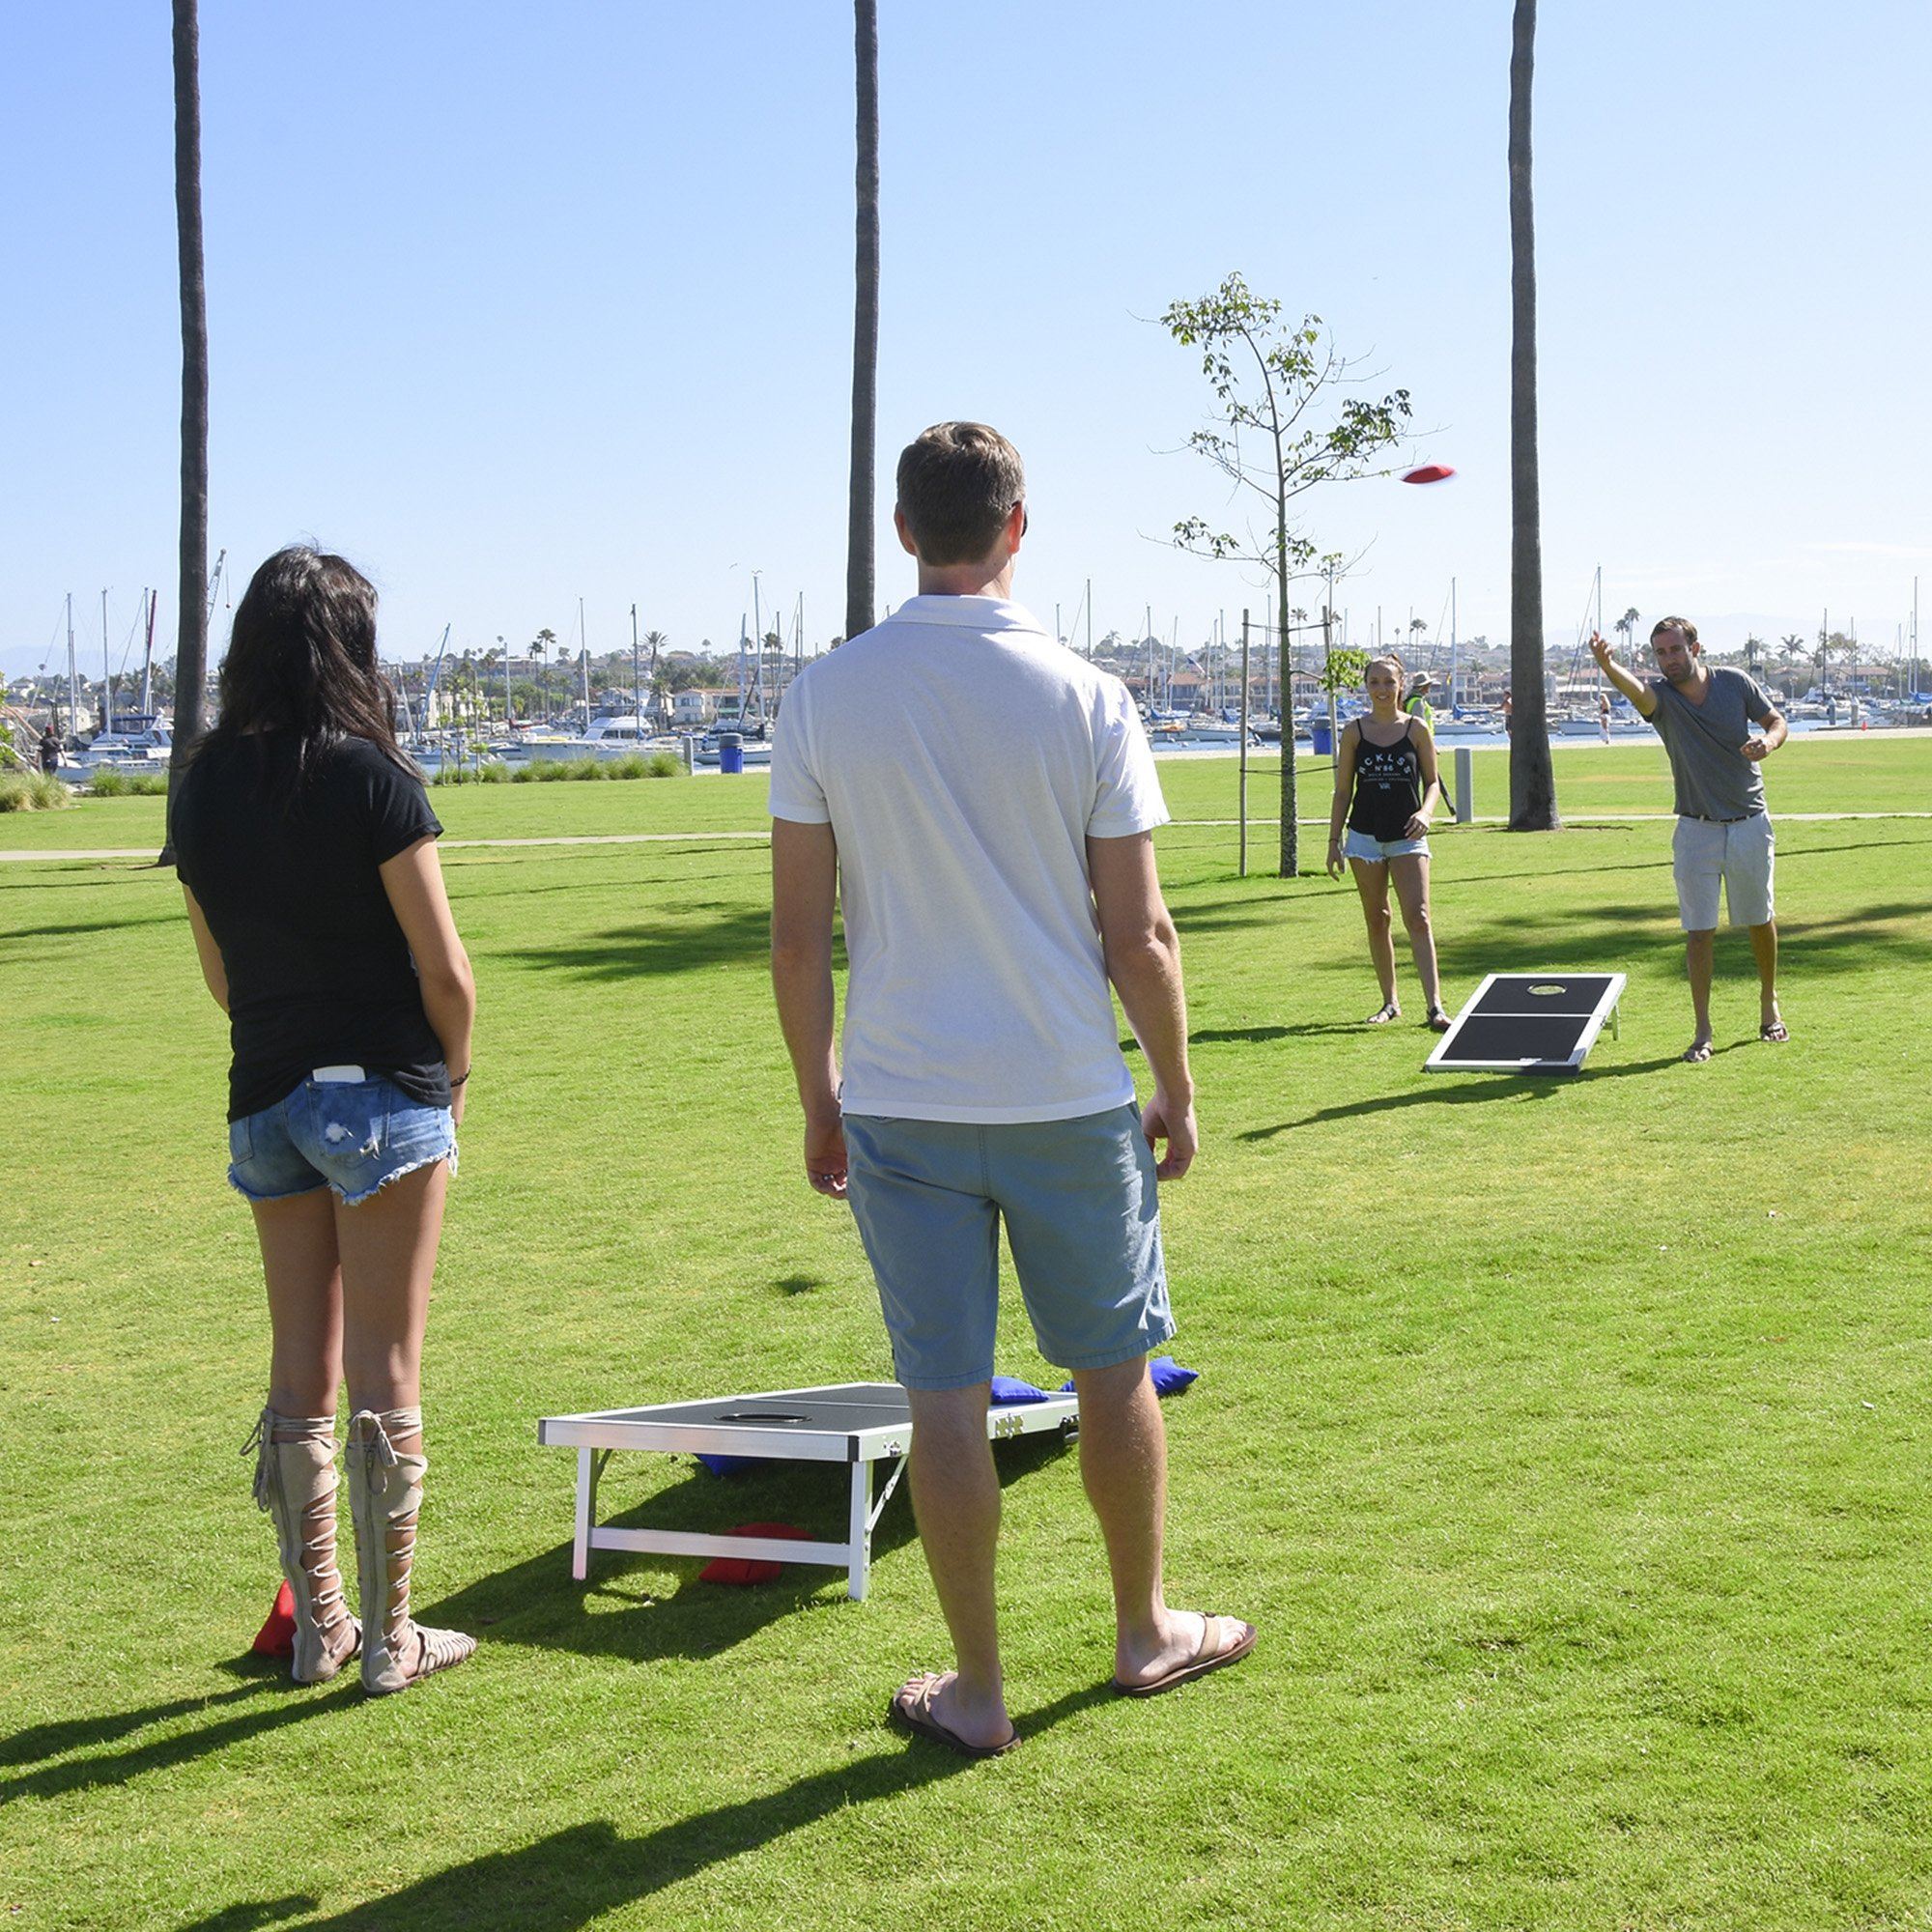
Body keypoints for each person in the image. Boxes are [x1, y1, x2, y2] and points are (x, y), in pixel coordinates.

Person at [769, 422, 1254, 1758]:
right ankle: (1144, 1629)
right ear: (1020, 526)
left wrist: (820, 1096)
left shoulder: (826, 695)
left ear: (906, 531)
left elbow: (801, 939)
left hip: (902, 1099)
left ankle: (977, 1692)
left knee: (943, 1397)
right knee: (1113, 1374)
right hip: (1062, 1093)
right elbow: (1140, 934)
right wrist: (1177, 1083)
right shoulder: (1089, 696)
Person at [172, 546, 477, 1695]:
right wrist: (451, 1078)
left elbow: (220, 973)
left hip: (265, 1095)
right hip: (381, 1089)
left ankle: (320, 1629)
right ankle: (391, 1639)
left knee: (299, 1368)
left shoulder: (199, 786)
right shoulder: (370, 776)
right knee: (386, 1368)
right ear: (352, 645)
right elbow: (446, 970)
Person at [1589, 618, 1788, 1060]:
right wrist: (1608, 664)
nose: (1669, 660)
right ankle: (1703, 1030)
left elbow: (1777, 721)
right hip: (1695, 828)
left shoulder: (1734, 683)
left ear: (1696, 647)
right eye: (1661, 653)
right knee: (1699, 931)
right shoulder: (1662, 699)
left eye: (1675, 650)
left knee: (1759, 919)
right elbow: (1634, 692)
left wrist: (1768, 743)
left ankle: (1768, 1004)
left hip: (1749, 821)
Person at [1327, 653, 1452, 1030]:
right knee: (1377, 919)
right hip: (1364, 839)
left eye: (1389, 682)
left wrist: (1426, 814)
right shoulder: (1354, 732)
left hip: (1408, 838)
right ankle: (1390, 1002)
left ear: (1401, 685)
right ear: (1366, 687)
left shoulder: (1416, 729)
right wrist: (1334, 841)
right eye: (1375, 682)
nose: (1382, 689)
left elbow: (1432, 782)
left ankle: (1435, 1008)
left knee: (1419, 917)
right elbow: (1343, 790)